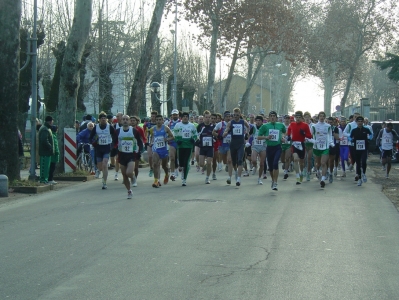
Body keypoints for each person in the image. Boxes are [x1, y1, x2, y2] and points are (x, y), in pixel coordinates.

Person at [116, 115, 143, 199]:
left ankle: (133, 177)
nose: (125, 121)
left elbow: (139, 142)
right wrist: (113, 148)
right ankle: (129, 190)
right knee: (124, 176)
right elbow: (114, 141)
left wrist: (140, 150)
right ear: (121, 121)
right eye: (123, 119)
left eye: (126, 119)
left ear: (129, 122)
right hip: (122, 155)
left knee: (129, 173)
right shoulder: (117, 131)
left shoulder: (134, 131)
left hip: (131, 154)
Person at [257, 111, 286, 190]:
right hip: (269, 148)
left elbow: (285, 132)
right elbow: (258, 137)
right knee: (270, 167)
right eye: (271, 116)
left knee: (275, 163)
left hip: (277, 147)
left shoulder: (281, 125)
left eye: (274, 116)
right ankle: (273, 180)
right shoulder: (265, 126)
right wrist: (266, 137)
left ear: (276, 118)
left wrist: (283, 138)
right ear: (269, 118)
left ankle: (276, 183)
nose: (272, 117)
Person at [89, 112, 117, 189]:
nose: (103, 120)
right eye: (102, 118)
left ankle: (104, 182)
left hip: (107, 147)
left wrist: (113, 145)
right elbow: (90, 137)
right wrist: (93, 142)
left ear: (107, 120)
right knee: (100, 167)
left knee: (105, 164)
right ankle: (98, 170)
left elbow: (115, 135)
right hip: (98, 148)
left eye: (105, 118)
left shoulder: (109, 127)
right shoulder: (96, 127)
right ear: (99, 120)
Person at [222, 108, 250, 186]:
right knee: (234, 162)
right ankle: (236, 172)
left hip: (241, 143)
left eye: (237, 115)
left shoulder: (243, 121)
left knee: (240, 160)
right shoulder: (230, 123)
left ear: (240, 115)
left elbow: (248, 127)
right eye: (234, 115)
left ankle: (238, 179)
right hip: (233, 143)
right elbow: (226, 130)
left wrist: (246, 134)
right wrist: (225, 133)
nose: (235, 116)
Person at [308, 112, 333, 188]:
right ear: (318, 117)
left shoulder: (328, 126)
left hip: (325, 147)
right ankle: (318, 171)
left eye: (323, 116)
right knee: (318, 164)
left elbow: (330, 136)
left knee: (323, 163)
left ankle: (322, 179)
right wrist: (314, 141)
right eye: (320, 116)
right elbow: (309, 137)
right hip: (316, 147)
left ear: (325, 117)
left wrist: (331, 143)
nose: (322, 118)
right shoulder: (314, 126)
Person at [286, 111, 312, 185]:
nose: (297, 119)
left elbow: (310, 136)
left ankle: (301, 172)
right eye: (296, 117)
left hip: (302, 144)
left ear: (302, 118)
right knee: (295, 159)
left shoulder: (305, 125)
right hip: (294, 143)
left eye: (299, 117)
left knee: (301, 162)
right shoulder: (292, 124)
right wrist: (288, 136)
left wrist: (304, 133)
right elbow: (289, 130)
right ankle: (297, 176)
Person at [173, 112, 198, 186]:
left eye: (186, 116)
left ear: (188, 117)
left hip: (188, 146)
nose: (185, 118)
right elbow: (174, 134)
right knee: (181, 163)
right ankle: (182, 170)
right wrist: (177, 140)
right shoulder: (178, 125)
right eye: (183, 116)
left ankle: (184, 179)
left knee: (186, 162)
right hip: (181, 146)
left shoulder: (192, 126)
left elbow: (196, 135)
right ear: (181, 118)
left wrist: (193, 140)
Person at [149, 114, 174, 188]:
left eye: (160, 120)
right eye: (157, 120)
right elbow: (152, 138)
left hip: (164, 149)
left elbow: (172, 137)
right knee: (155, 164)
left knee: (164, 166)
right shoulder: (152, 129)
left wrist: (167, 139)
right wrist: (151, 143)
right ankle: (156, 181)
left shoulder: (166, 128)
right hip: (156, 149)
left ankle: (167, 174)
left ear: (162, 120)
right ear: (155, 120)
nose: (158, 121)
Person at [350, 116, 373, 186]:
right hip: (356, 149)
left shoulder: (366, 129)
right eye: (358, 121)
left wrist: (369, 139)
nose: (360, 123)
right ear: (356, 122)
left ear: (363, 122)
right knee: (358, 163)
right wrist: (351, 140)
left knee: (363, 161)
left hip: (364, 148)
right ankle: (359, 179)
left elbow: (371, 134)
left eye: (361, 121)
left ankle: (363, 174)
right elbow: (350, 137)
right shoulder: (354, 130)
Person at [197, 110, 215, 184]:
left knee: (209, 162)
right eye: (206, 117)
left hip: (210, 147)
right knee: (201, 164)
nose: (208, 118)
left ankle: (207, 178)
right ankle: (204, 166)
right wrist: (197, 140)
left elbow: (216, 135)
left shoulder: (213, 126)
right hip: (202, 147)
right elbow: (196, 135)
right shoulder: (200, 126)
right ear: (203, 118)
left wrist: (216, 137)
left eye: (209, 117)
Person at [248, 115, 267, 185]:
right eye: (257, 120)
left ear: (262, 121)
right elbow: (249, 134)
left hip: (263, 146)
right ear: (255, 121)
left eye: (259, 120)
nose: (258, 122)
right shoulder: (253, 127)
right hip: (255, 145)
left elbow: (267, 135)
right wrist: (247, 141)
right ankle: (255, 166)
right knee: (253, 160)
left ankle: (259, 178)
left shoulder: (265, 127)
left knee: (262, 163)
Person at [130, 116, 147, 187]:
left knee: (136, 167)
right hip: (128, 149)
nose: (132, 122)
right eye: (131, 120)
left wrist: (144, 145)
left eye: (134, 120)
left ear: (137, 122)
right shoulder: (127, 129)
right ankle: (129, 177)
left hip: (137, 149)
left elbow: (143, 138)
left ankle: (135, 178)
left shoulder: (139, 129)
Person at [165, 109, 181, 180]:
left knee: (179, 159)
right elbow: (165, 132)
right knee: (172, 158)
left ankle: (177, 169)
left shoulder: (181, 122)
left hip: (180, 143)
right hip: (172, 142)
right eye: (173, 115)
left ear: (178, 115)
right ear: (171, 115)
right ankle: (172, 173)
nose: (175, 116)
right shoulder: (168, 123)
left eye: (176, 114)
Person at [38, 116, 54, 184]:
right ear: (50, 121)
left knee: (46, 167)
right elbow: (44, 140)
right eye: (52, 121)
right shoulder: (45, 129)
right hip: (45, 151)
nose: (52, 122)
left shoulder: (46, 128)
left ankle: (45, 179)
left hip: (47, 151)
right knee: (44, 166)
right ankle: (43, 179)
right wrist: (50, 147)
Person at [143, 111, 158, 177]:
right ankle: (151, 168)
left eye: (154, 116)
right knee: (150, 156)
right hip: (149, 141)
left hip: (157, 142)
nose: (152, 118)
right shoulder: (147, 124)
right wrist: (145, 140)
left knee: (156, 156)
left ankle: (156, 167)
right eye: (152, 116)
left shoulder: (159, 124)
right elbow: (145, 132)